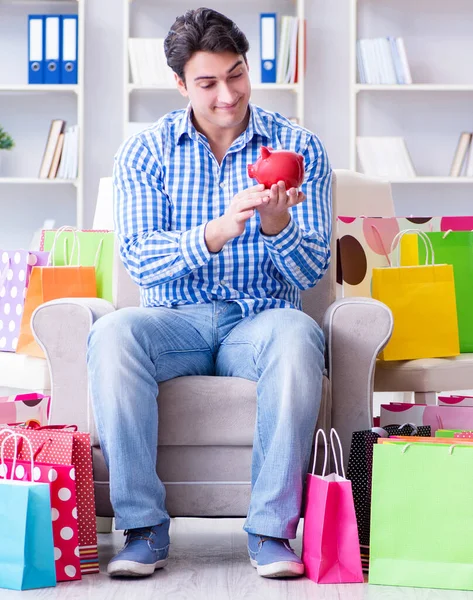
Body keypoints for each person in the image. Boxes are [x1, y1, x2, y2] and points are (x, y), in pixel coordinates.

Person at [87, 7, 332, 580]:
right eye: (208, 82)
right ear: (179, 84)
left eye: (237, 74)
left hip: (261, 321)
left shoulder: (301, 149)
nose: (228, 94)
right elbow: (141, 255)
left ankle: (271, 530)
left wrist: (276, 227)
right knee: (112, 331)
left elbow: (312, 269)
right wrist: (216, 231)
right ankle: (144, 528)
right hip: (174, 321)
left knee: (301, 334)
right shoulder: (144, 153)